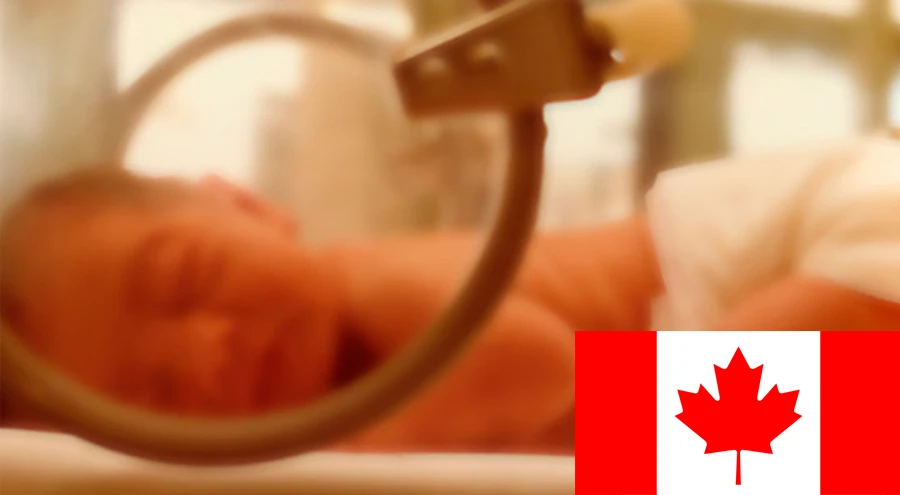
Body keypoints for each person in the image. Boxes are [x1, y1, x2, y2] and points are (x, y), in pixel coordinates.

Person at [1, 135, 899, 454]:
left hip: (822, 226)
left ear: (246, 205)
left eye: (188, 279)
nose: (208, 353)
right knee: (794, 431)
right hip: (787, 300)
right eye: (153, 397)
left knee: (683, 432)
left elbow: (535, 365)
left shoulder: (365, 283)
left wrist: (344, 452)